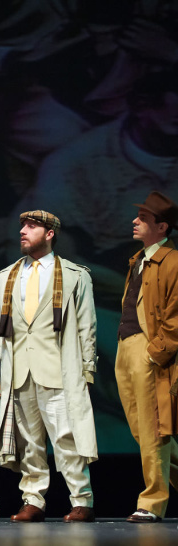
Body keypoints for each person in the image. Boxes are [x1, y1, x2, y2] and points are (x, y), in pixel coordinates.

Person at [0, 210, 98, 523]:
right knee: (29, 442)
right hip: (19, 369)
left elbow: (87, 328)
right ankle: (33, 500)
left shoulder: (75, 275)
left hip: (58, 369)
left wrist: (87, 371)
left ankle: (82, 499)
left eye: (31, 226)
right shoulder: (6, 277)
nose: (23, 231)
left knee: (66, 438)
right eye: (22, 226)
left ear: (49, 234)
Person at [115, 191, 178, 523]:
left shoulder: (172, 261)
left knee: (153, 430)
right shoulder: (139, 259)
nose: (135, 221)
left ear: (162, 226)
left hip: (147, 349)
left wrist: (155, 353)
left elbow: (175, 315)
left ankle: (152, 502)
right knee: (144, 431)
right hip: (126, 347)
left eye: (143, 218)